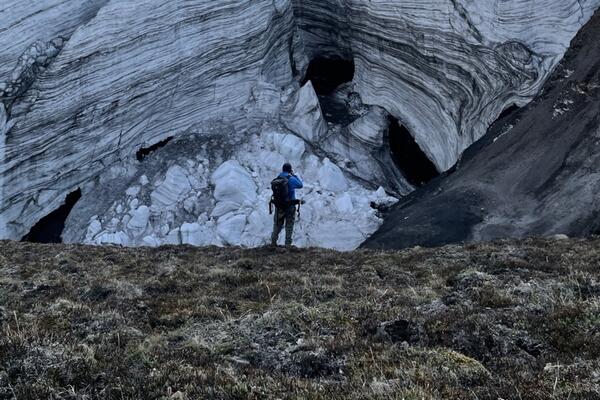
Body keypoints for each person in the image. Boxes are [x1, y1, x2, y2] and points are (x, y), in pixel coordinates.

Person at [270, 163, 303, 246]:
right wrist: (294, 175)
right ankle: (287, 245)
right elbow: (300, 185)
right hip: (289, 206)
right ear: (290, 170)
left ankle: (273, 243)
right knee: (289, 225)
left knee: (277, 224)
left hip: (279, 206)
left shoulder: (277, 179)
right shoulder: (291, 178)